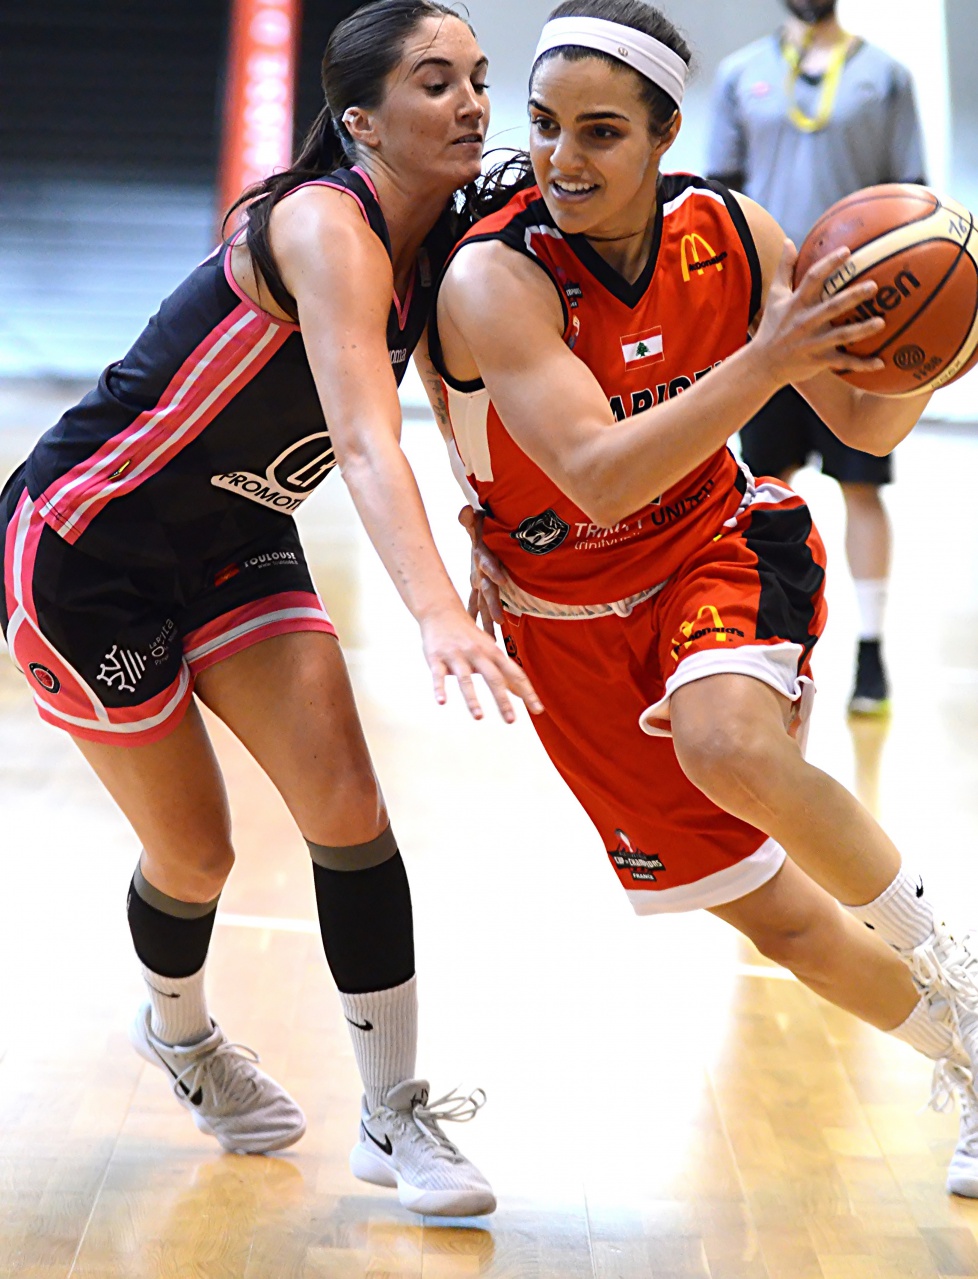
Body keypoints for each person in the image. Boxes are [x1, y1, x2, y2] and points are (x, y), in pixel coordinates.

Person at [425, 0, 978, 1198]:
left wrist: (932, 344)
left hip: (712, 546)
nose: (564, 157)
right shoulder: (495, 277)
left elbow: (864, 420)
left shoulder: (731, 232)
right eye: (546, 124)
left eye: (602, 132)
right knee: (782, 923)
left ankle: (962, 972)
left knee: (729, 741)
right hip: (564, 622)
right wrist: (767, 358)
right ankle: (974, 1063)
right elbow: (595, 473)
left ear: (667, 134)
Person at [0, 0, 541, 1219]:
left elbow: (466, 401)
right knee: (198, 852)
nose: (470, 102)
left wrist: (490, 539)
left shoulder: (448, 241)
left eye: (477, 77)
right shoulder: (324, 225)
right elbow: (364, 437)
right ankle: (180, 1033)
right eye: (435, 82)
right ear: (361, 120)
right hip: (87, 550)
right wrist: (435, 613)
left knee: (349, 806)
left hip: (237, 537)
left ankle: (394, 1113)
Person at [706, 0, 928, 715]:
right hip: (772, 316)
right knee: (766, 486)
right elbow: (720, 194)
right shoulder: (740, 73)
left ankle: (871, 652)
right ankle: (768, 645)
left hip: (862, 316)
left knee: (862, 485)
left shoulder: (885, 75)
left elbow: (913, 195)